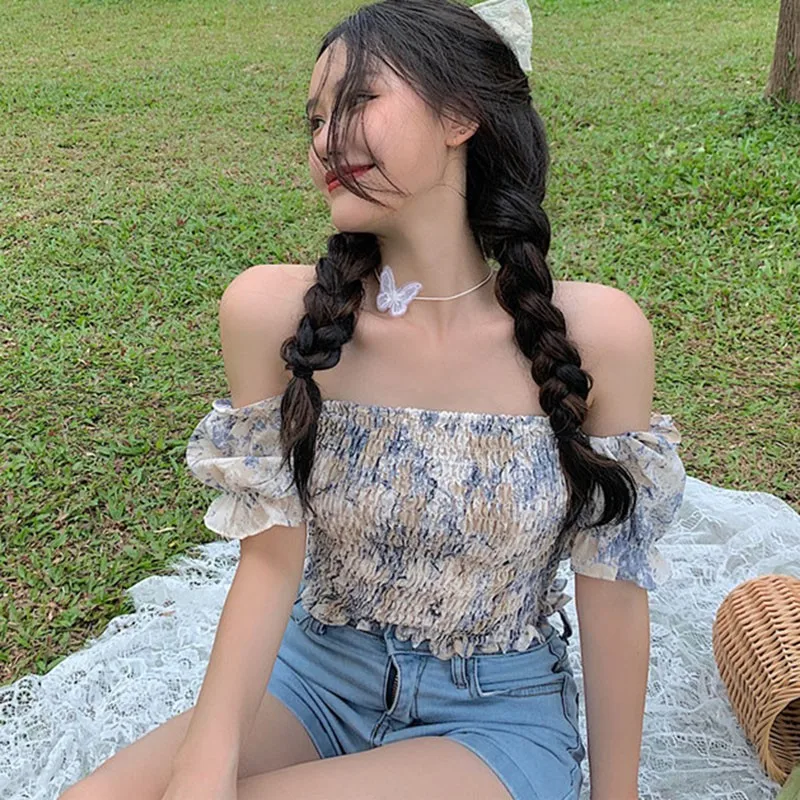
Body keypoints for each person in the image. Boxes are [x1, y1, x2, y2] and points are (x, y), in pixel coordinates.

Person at [60, 1, 687, 798]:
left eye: (358, 102)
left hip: (495, 716)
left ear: (460, 115)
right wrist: (202, 766)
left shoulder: (598, 334)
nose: (327, 139)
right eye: (315, 120)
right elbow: (269, 559)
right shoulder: (274, 315)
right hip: (314, 678)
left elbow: (613, 592)